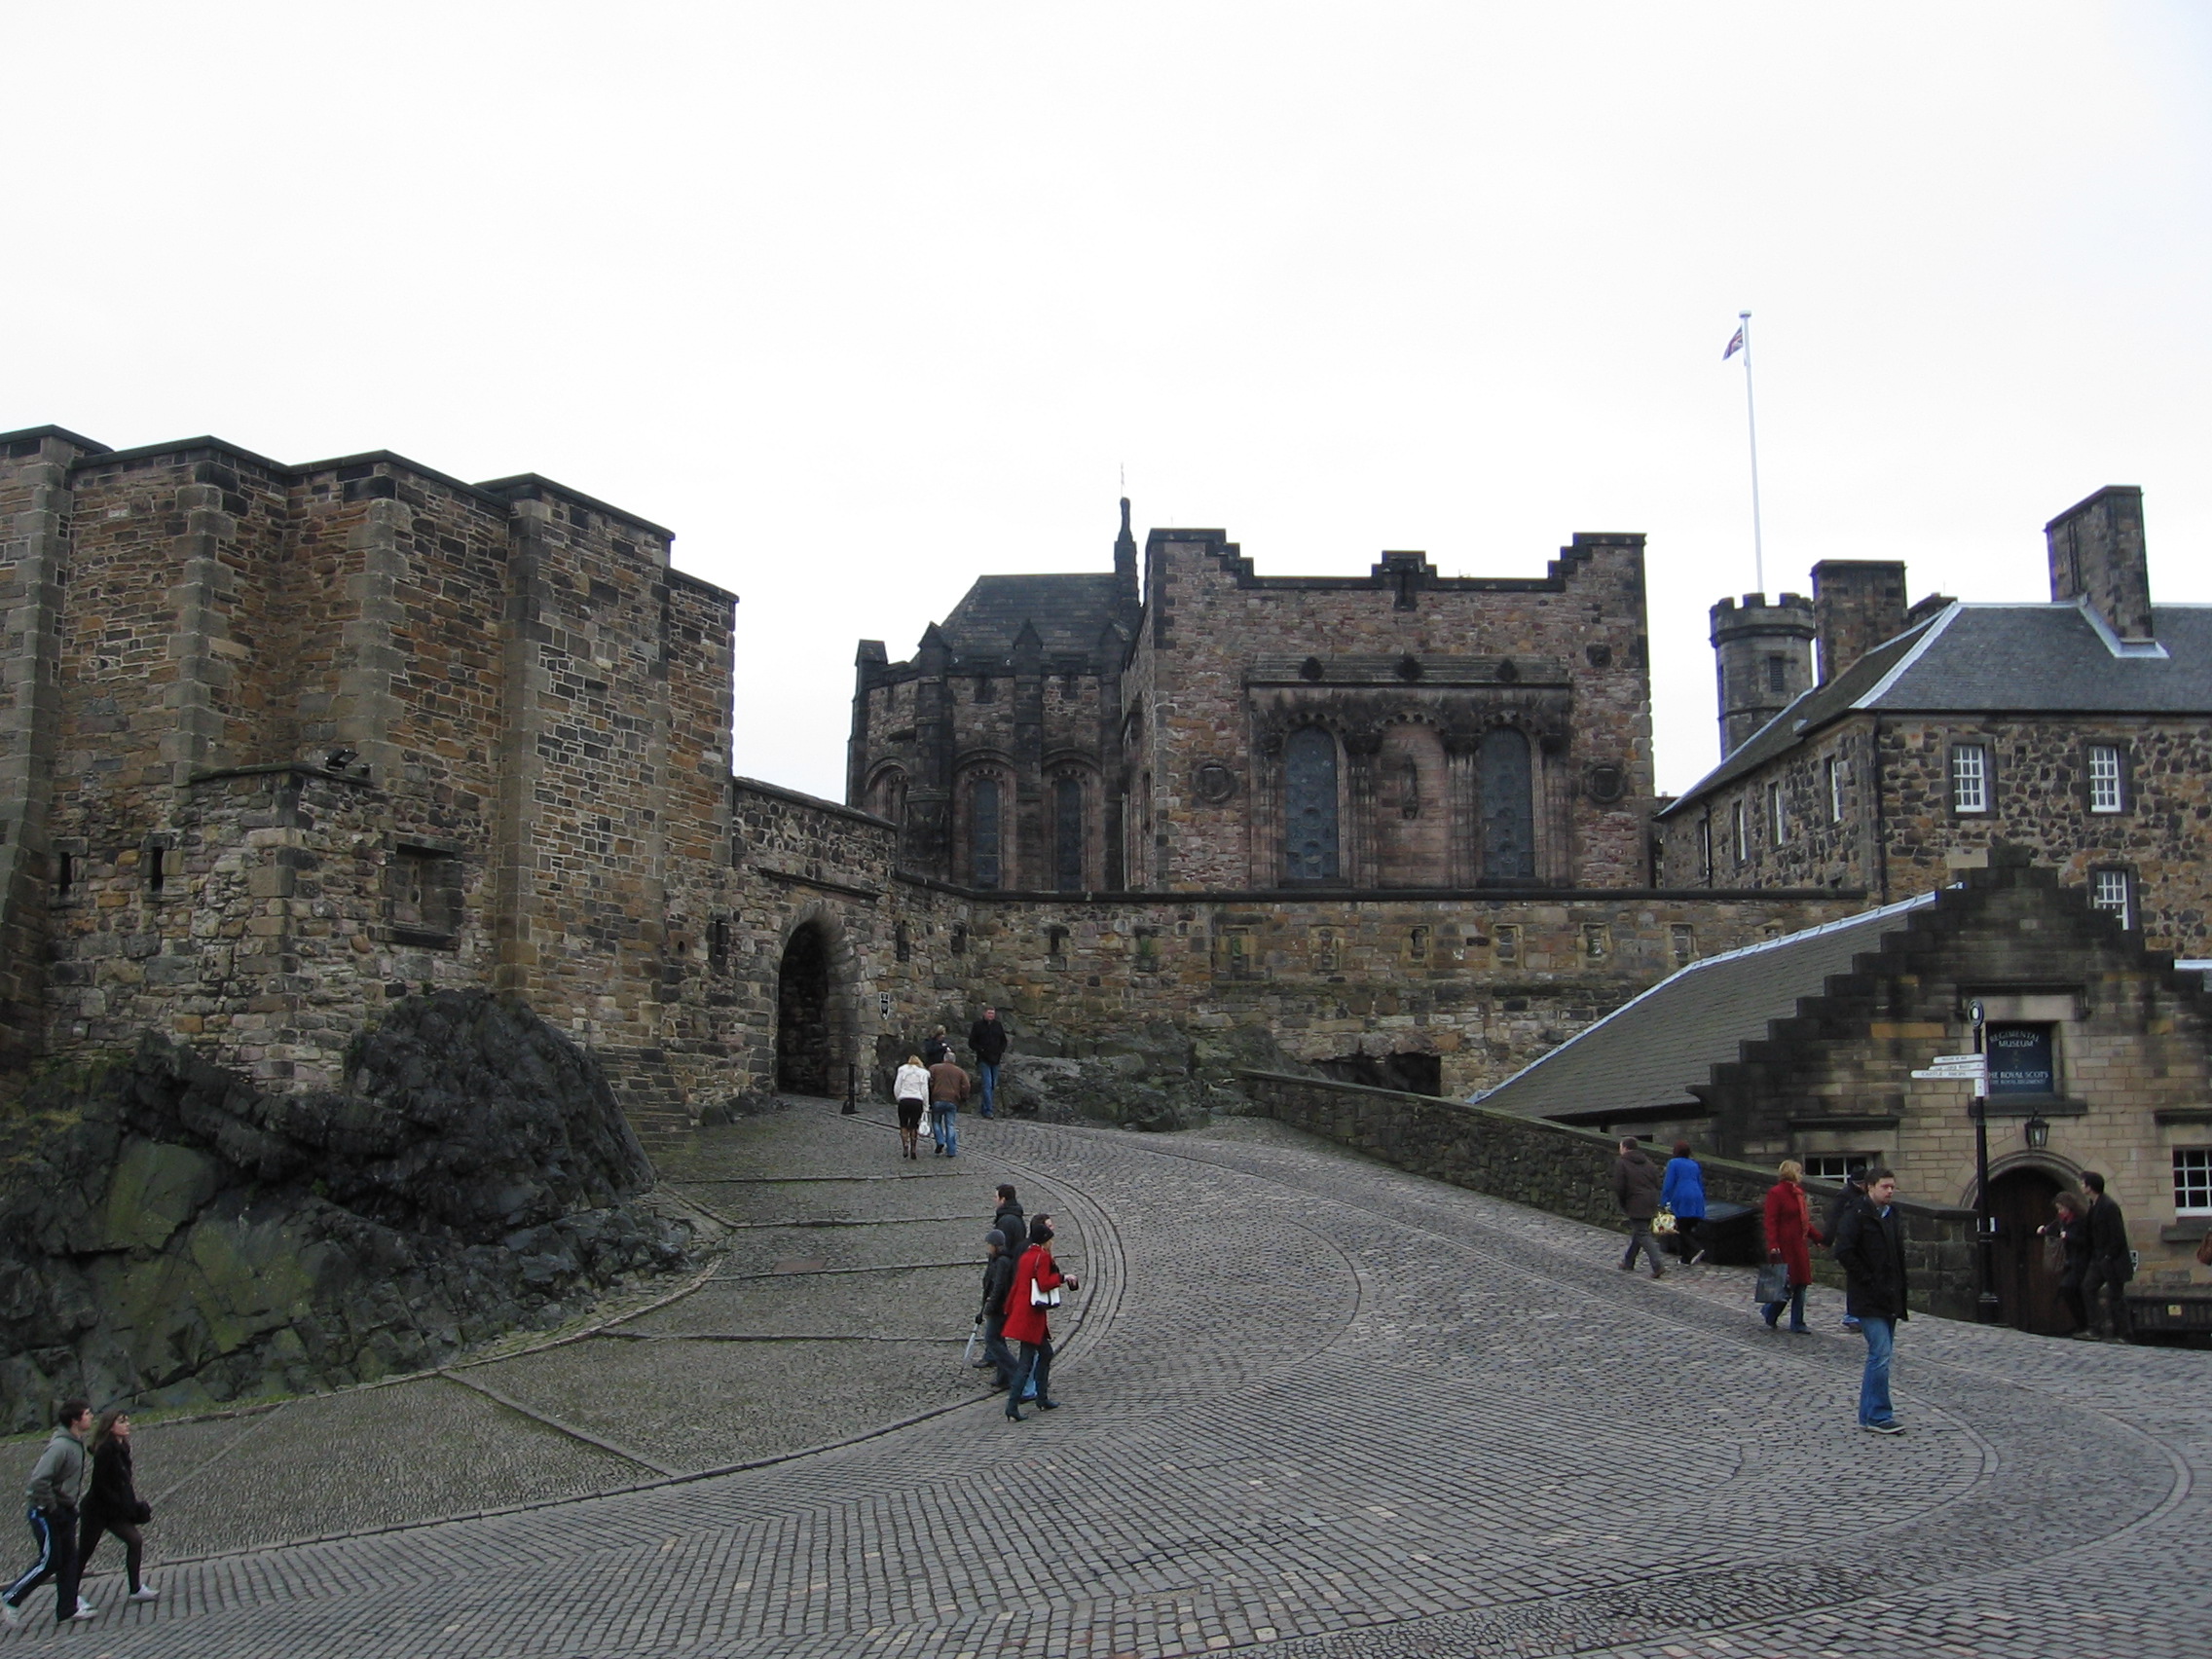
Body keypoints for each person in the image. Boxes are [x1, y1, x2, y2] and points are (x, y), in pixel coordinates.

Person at [2, 1398, 94, 1627]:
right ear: (75, 1420)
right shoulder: (60, 1447)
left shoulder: (75, 1443)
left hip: (65, 1510)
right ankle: (11, 1596)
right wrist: (52, 1508)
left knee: (69, 1560)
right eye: (87, 1414)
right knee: (51, 1560)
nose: (91, 1417)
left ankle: (67, 1608)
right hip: (46, 1513)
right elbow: (38, 1481)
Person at [1832, 1166, 1908, 1434]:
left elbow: (1896, 1256)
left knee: (1879, 1355)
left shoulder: (1892, 1215)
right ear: (1870, 1187)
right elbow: (1843, 1250)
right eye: (1885, 1187)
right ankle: (1879, 1414)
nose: (1890, 1191)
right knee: (1880, 1353)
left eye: (1892, 1187)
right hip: (1868, 1297)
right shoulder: (1857, 1213)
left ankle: (1868, 1414)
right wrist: (1867, 1279)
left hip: (1889, 1296)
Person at [1003, 1213, 1076, 1420]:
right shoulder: (1042, 1257)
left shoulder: (1026, 1256)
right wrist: (1062, 1278)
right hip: (1032, 1317)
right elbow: (1044, 1283)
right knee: (1026, 1362)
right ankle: (1014, 1405)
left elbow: (1018, 1284)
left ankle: (1041, 1397)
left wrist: (1009, 1309)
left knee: (1045, 1354)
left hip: (1023, 1313)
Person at [77, 1410, 154, 1607]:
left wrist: (132, 1506)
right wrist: (122, 1505)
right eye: (121, 1422)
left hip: (115, 1509)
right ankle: (70, 1594)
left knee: (135, 1540)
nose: (127, 1425)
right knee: (85, 1551)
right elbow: (100, 1485)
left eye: (127, 1421)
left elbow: (124, 1483)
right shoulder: (106, 1451)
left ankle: (136, 1588)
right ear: (110, 1426)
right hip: (97, 1510)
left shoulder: (122, 1448)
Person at [1760, 1160, 1823, 1333]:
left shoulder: (1798, 1193)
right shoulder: (1776, 1193)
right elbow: (1771, 1220)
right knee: (1785, 1284)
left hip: (1798, 1245)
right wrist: (1773, 1244)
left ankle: (1797, 1321)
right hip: (1785, 1245)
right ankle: (1770, 1312)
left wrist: (1818, 1238)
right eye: (1799, 1171)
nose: (1801, 1175)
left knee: (1801, 1284)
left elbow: (1804, 1222)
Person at [2079, 1171, 2133, 1343]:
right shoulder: (2093, 1205)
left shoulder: (2109, 1206)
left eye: (2083, 1183)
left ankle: (2122, 1333)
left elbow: (2118, 1235)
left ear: (2090, 1186)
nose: (2081, 1186)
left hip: (2112, 1259)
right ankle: (2094, 1328)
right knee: (2087, 1288)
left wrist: (2109, 1255)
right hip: (2098, 1257)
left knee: (2116, 1296)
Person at [1610, 1137, 1665, 1278]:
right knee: (1640, 1232)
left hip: (1636, 1201)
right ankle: (1629, 1261)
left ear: (1625, 1148)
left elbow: (1619, 1186)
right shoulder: (1648, 1163)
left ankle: (1657, 1265)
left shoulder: (1622, 1163)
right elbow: (1657, 1182)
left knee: (1642, 1233)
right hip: (1650, 1201)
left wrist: (1624, 1202)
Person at [2041, 1191, 2093, 1337]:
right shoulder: (2063, 1220)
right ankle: (2082, 1324)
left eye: (2061, 1208)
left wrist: (2069, 1237)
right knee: (2071, 1291)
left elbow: (2086, 1241)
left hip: (2080, 1261)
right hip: (2070, 1261)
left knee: (2069, 1288)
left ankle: (2085, 1324)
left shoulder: (2080, 1220)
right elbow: (2054, 1227)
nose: (2060, 1211)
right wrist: (2045, 1229)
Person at [1825, 1166, 1870, 1330]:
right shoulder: (1845, 1196)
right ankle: (1852, 1315)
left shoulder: (1867, 1196)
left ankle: (1861, 1313)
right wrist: (1827, 1240)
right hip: (1850, 1242)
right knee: (1855, 1277)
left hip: (1864, 1242)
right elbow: (1834, 1219)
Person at [977, 1229, 1019, 1392]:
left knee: (992, 1339)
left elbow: (998, 1286)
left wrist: (990, 1306)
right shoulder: (997, 1260)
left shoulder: (1002, 1262)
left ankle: (1015, 1372)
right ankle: (1003, 1377)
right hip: (998, 1306)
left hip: (999, 1308)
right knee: (999, 1340)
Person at [1661, 1140, 1709, 1265]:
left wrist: (1665, 1200)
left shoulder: (1673, 1163)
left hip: (1681, 1195)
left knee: (1681, 1228)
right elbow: (1700, 1182)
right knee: (1688, 1226)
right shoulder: (1694, 1164)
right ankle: (1685, 1258)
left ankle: (1696, 1249)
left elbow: (1669, 1183)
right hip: (1696, 1195)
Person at [968, 1007, 1009, 1119]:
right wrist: (981, 1050)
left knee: (993, 1085)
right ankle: (989, 1110)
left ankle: (984, 1107)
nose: (991, 1015)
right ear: (984, 1013)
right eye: (989, 1013)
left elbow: (1003, 1041)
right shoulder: (978, 1025)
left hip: (995, 1059)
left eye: (992, 1013)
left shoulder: (998, 1026)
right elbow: (971, 1042)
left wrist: (1000, 1051)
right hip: (983, 1059)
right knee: (987, 1084)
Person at [927, 1053, 971, 1158]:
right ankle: (951, 1150)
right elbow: (966, 1086)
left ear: (944, 1059)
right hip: (953, 1100)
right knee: (950, 1125)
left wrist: (932, 1093)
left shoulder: (934, 1068)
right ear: (954, 1060)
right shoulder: (960, 1072)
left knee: (936, 1122)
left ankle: (940, 1141)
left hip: (937, 1098)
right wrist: (963, 1097)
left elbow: (929, 1082)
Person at [892, 1054, 931, 1161]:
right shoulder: (923, 1073)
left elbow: (897, 1086)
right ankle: (913, 1148)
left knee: (903, 1124)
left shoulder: (902, 1071)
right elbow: (925, 1091)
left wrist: (898, 1098)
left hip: (904, 1099)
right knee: (914, 1125)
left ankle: (905, 1144)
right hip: (917, 1100)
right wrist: (926, 1106)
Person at [992, 1184, 1028, 1257]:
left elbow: (1002, 1248)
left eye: (996, 1197)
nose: (994, 1200)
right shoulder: (1016, 1215)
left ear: (1003, 1200)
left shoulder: (1006, 1221)